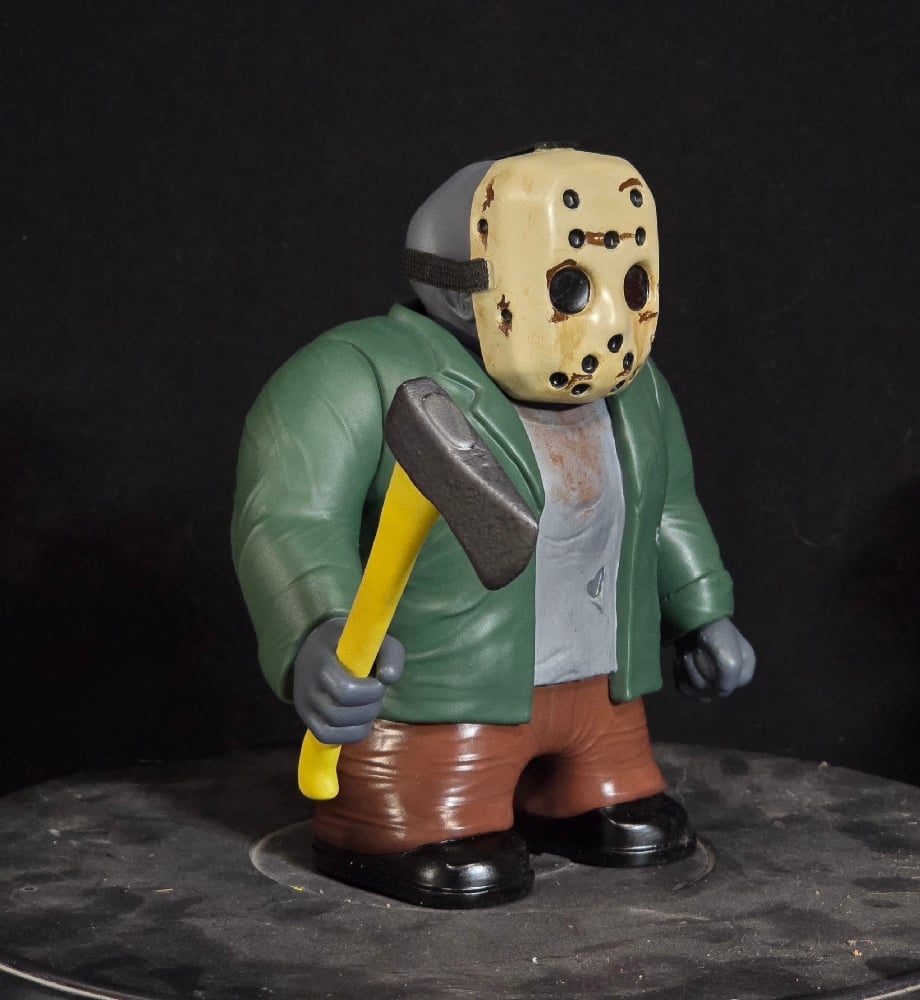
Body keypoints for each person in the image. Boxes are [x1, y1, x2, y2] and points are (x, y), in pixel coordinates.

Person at [232, 146, 755, 908]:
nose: (610, 319)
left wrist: (703, 612)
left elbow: (668, 506)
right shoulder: (355, 375)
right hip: (448, 695)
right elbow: (289, 516)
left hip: (602, 690)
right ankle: (409, 821)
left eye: (632, 285)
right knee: (441, 819)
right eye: (571, 287)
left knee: (618, 790)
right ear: (459, 290)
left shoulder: (637, 396)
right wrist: (318, 630)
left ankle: (584, 794)